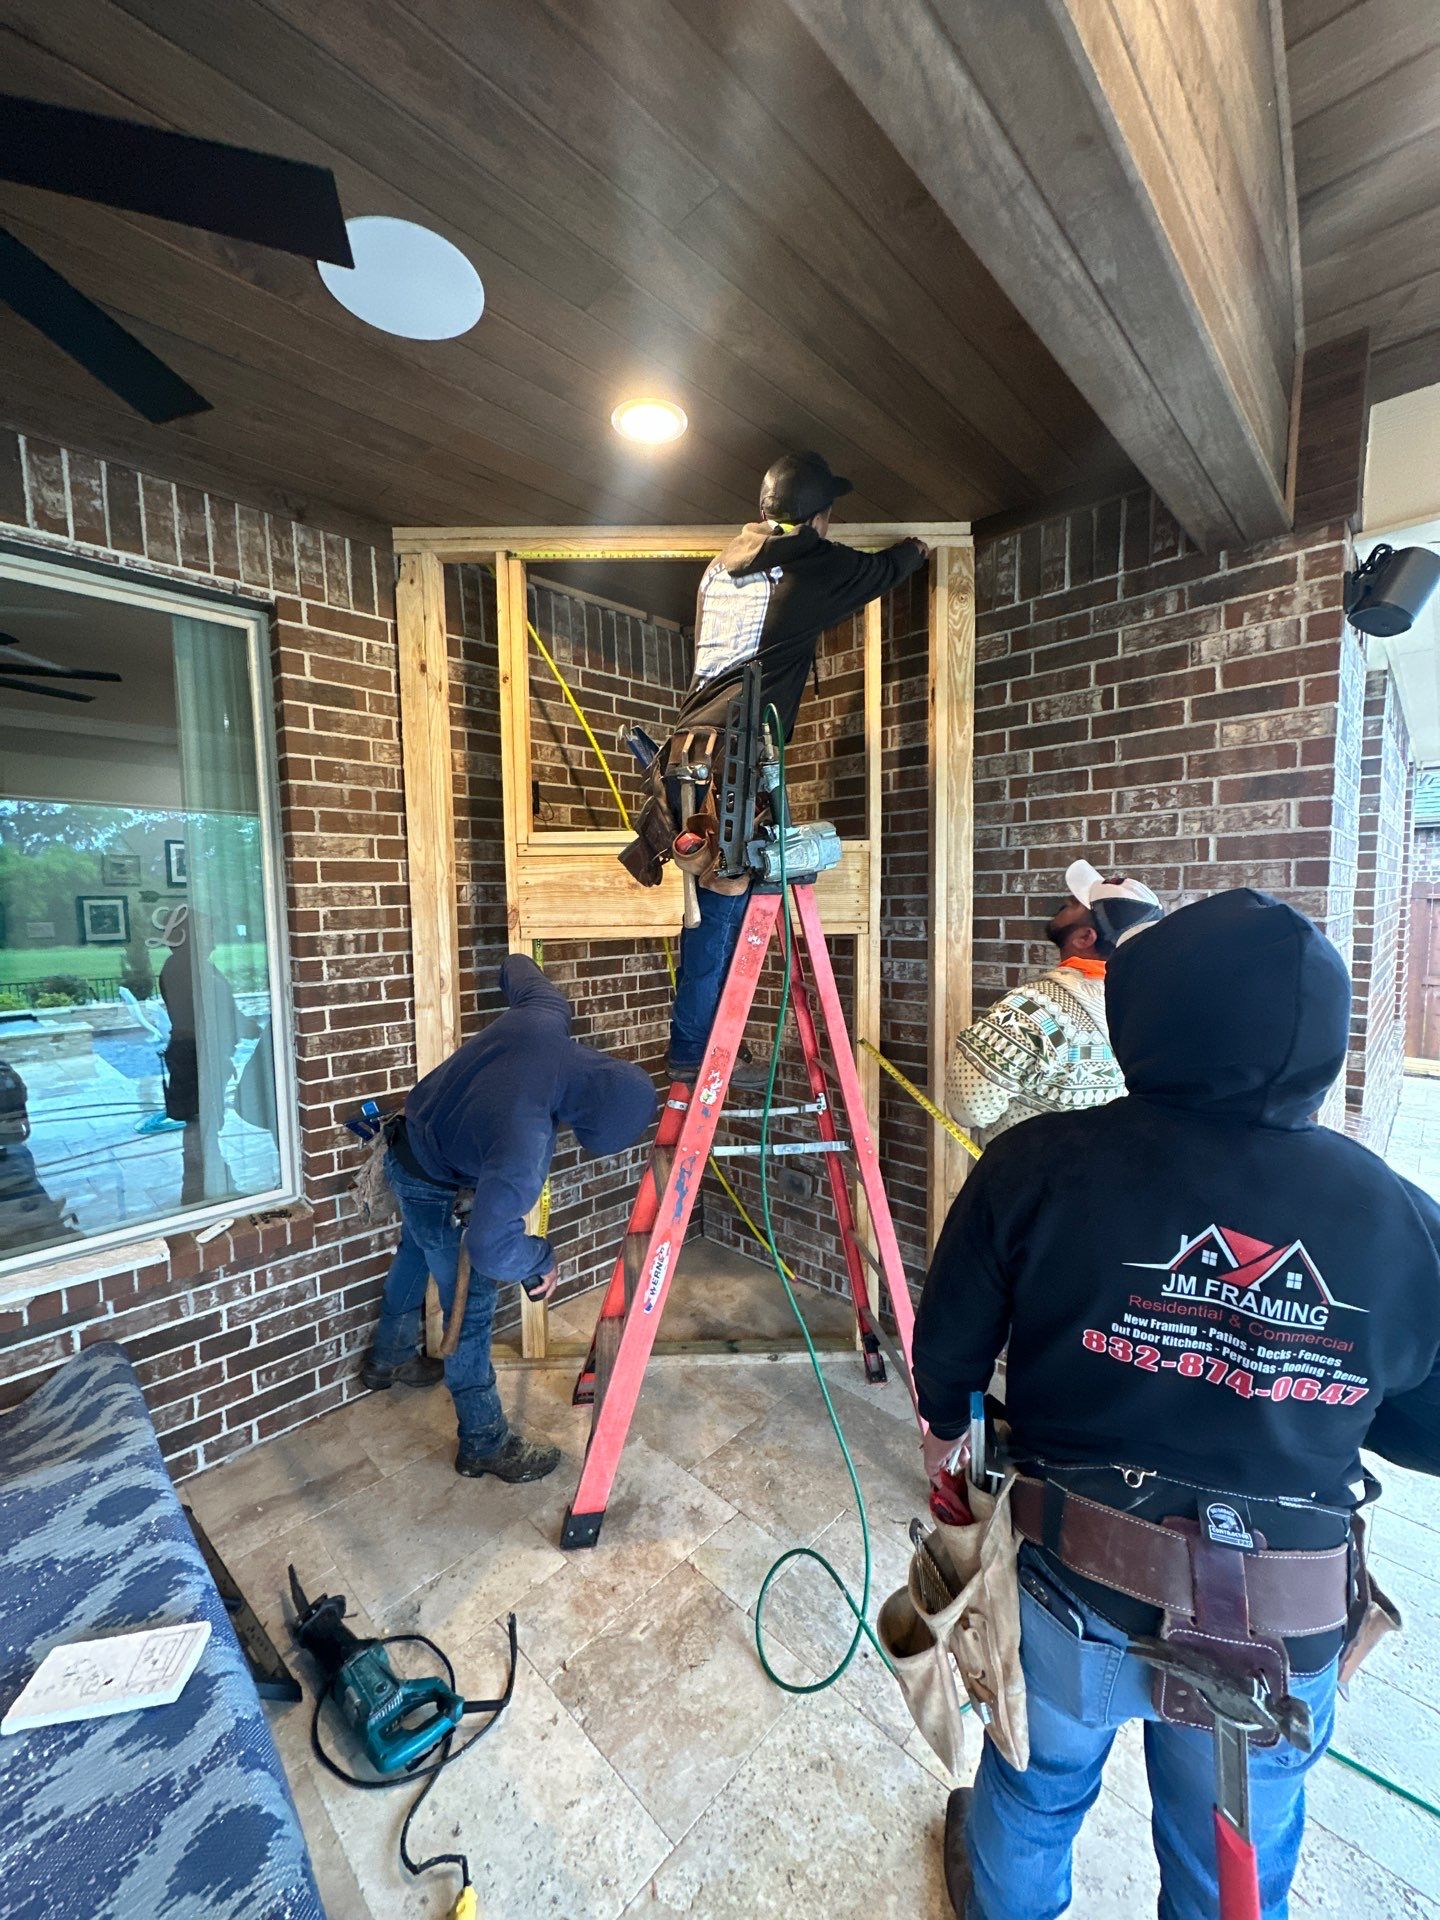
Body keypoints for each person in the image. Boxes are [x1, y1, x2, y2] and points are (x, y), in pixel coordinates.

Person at [914, 888, 1440, 1920]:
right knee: (1228, 1857)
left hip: (1073, 1582)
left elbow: (948, 1364)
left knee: (1034, 1787)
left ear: (1141, 1014)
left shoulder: (1039, 1164)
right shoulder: (1399, 1220)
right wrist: (1294, 1379)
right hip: (1279, 1626)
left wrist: (951, 1440)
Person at [662, 451, 930, 1086]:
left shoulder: (719, 568)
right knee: (723, 911)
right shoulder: (812, 563)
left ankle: (696, 1045)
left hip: (689, 754)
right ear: (820, 519)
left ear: (762, 511)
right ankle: (698, 1056)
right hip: (735, 762)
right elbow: (890, 567)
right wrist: (919, 547)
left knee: (713, 904)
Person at [362, 954, 658, 1483]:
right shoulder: (527, 1142)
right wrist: (538, 1259)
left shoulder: (545, 1013)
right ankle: (482, 1443)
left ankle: (387, 1359)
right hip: (431, 1177)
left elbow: (516, 964)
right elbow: (492, 1247)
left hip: (410, 1140)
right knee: (470, 1312)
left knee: (414, 1252)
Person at [947, 860, 1161, 1140]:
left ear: (1085, 937)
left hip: (1028, 1175)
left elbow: (968, 1107)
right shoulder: (1152, 1010)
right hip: (1105, 1174)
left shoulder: (1033, 1010)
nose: (1065, 901)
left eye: (1074, 903)